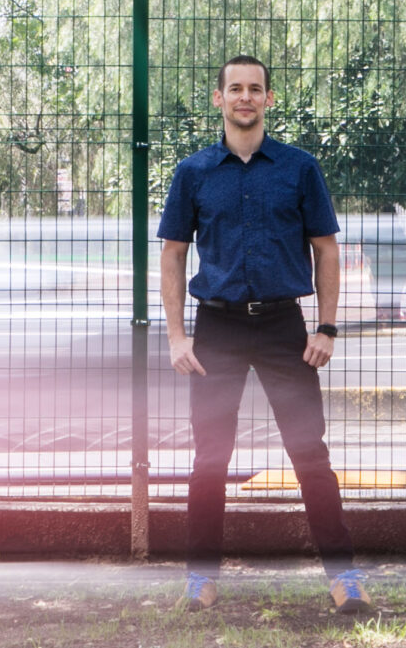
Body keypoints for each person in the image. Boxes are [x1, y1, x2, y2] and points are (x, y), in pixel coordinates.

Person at [158, 55, 370, 614]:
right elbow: (173, 256)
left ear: (269, 99)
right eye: (235, 88)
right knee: (210, 459)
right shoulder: (193, 173)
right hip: (217, 331)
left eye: (255, 89)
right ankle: (200, 581)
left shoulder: (299, 169)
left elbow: (326, 250)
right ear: (219, 98)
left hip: (283, 327)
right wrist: (179, 337)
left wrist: (325, 326)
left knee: (310, 455)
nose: (245, 97)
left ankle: (344, 577)